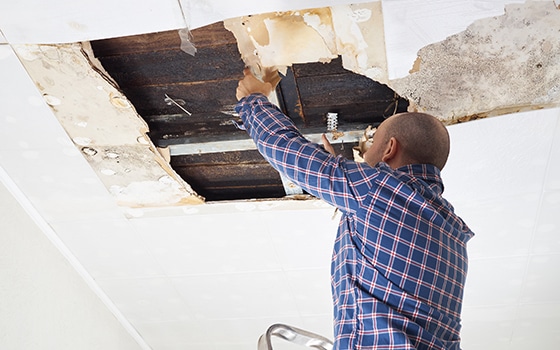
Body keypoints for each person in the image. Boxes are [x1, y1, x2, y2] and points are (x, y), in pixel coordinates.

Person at [235, 68, 474, 349]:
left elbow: (283, 148)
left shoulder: (376, 192)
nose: (367, 152)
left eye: (372, 143)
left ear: (390, 149)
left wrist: (253, 99)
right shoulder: (451, 232)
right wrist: (347, 187)